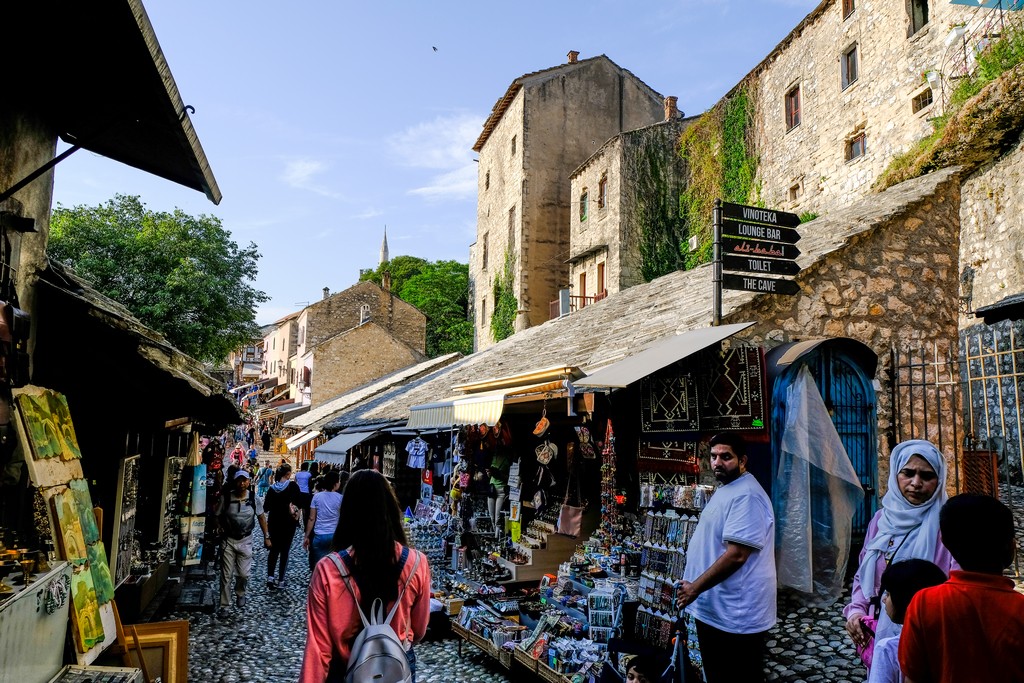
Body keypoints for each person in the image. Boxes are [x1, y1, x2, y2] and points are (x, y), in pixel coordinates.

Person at [299, 470, 430, 683]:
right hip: (397, 669)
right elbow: (420, 628)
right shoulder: (416, 563)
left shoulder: (327, 570)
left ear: (348, 512)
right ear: (390, 509)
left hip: (344, 669)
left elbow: (318, 649)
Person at [843, 440, 957, 666]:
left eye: (926, 476)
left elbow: (954, 587)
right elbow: (863, 571)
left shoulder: (947, 527)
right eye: (908, 473)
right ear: (896, 474)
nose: (916, 483)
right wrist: (856, 611)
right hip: (880, 630)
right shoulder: (881, 521)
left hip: (927, 634)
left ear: (939, 480)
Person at [675, 432, 776, 683]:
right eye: (713, 456)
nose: (718, 463)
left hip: (735, 614)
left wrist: (695, 588)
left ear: (742, 461)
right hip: (718, 609)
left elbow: (737, 555)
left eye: (726, 457)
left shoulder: (747, 495)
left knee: (735, 675)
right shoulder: (729, 488)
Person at [898, 494, 1024, 683]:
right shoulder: (1019, 608)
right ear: (1011, 547)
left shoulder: (924, 602)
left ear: (945, 542)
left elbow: (913, 677)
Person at [866, 559, 948, 683]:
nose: (884, 599)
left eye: (888, 594)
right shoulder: (951, 641)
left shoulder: (887, 649)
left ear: (902, 600)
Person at [215, 470, 269, 617]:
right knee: (226, 575)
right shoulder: (226, 498)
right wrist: (219, 527)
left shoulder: (253, 498)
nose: (242, 483)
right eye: (239, 480)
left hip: (246, 540)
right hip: (228, 540)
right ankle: (224, 606)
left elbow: (261, 518)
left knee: (244, 574)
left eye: (244, 480)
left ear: (249, 482)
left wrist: (266, 536)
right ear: (235, 482)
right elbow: (217, 515)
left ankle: (240, 592)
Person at [265, 464, 301, 589]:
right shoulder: (293, 487)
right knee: (285, 551)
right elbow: (299, 503)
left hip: (274, 522)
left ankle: (270, 577)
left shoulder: (272, 489)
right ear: (287, 474)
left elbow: (266, 507)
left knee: (273, 550)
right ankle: (281, 580)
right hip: (288, 523)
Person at [304, 470, 345, 570]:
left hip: (320, 535)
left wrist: (307, 536)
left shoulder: (317, 497)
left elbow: (311, 518)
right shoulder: (341, 498)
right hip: (335, 535)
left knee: (319, 567)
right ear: (335, 484)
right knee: (333, 567)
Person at [295, 461, 314, 526]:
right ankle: (304, 521)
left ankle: (297, 520)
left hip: (298, 492)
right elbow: (310, 483)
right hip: (306, 492)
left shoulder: (297, 474)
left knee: (298, 507)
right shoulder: (309, 474)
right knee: (305, 508)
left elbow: (295, 482)